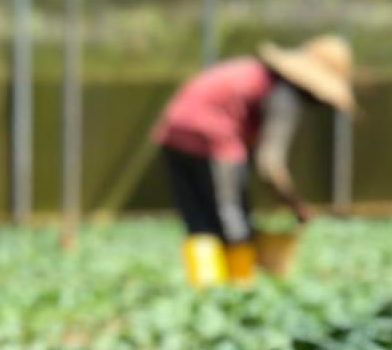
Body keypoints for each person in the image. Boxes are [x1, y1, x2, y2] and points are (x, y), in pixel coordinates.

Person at [152, 34, 356, 286]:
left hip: (174, 131)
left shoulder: (256, 73)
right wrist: (294, 204)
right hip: (214, 137)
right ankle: (240, 290)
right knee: (232, 217)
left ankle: (205, 293)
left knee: (199, 219)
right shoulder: (283, 94)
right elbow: (269, 164)